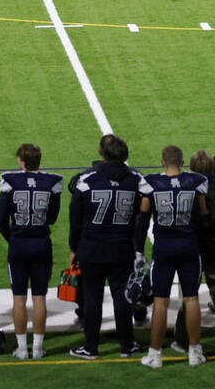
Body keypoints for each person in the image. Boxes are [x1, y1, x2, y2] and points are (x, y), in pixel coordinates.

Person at [68, 135, 144, 360]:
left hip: (92, 248)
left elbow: (75, 219)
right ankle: (126, 345)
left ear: (101, 154)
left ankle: (91, 347)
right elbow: (143, 214)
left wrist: (74, 247)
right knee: (122, 296)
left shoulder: (86, 180)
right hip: (122, 248)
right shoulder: (137, 180)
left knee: (92, 298)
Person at [137, 146, 209, 368]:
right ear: (182, 161)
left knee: (160, 301)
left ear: (162, 162)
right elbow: (203, 215)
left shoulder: (151, 184)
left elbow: (142, 218)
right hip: (188, 246)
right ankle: (195, 352)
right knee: (191, 298)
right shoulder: (196, 181)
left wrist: (138, 250)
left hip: (164, 248)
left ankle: (155, 354)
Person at [0, 143, 63, 360]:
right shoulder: (52, 182)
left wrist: (14, 238)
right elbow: (52, 217)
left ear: (22, 161)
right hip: (41, 244)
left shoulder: (10, 181)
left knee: (18, 297)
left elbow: (0, 221)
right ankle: (38, 348)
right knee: (39, 297)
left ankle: (22, 349)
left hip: (19, 245)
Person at [173, 150, 215, 353]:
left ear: (191, 167)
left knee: (187, 297)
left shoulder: (187, 189)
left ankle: (183, 340)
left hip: (191, 249)